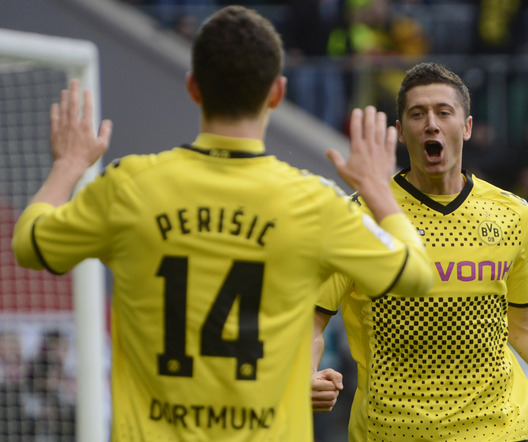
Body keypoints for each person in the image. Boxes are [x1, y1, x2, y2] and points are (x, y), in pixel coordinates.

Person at [11, 6, 434, 441]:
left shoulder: (129, 186)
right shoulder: (314, 202)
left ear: (193, 87)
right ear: (277, 93)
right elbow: (417, 275)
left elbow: (29, 243)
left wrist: (68, 165)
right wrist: (378, 189)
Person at [311, 62, 528, 441]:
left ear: (466, 127)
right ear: (401, 133)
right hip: (391, 432)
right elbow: (312, 322)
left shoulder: (512, 214)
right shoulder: (358, 217)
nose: (431, 124)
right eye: (417, 114)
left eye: (443, 112)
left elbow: (524, 323)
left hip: (496, 431)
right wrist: (306, 373)